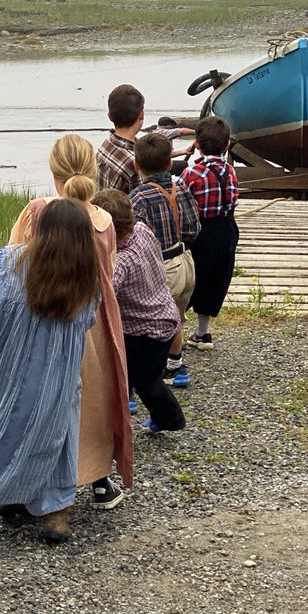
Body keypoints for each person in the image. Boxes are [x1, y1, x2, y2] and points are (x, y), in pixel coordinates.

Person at [0, 199, 101, 545]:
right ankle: (54, 513)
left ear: (41, 231)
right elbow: (87, 321)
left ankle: (7, 492)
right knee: (55, 436)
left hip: (9, 370)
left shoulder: (12, 263)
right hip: (58, 378)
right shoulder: (87, 280)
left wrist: (15, 241)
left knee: (1, 427)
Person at [9, 133, 133, 510]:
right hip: (92, 321)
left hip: (44, 316)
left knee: (36, 397)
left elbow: (11, 263)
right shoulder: (104, 220)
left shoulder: (37, 212)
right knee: (94, 397)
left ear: (54, 173)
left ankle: (26, 481)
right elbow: (108, 272)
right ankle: (97, 478)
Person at [94, 189, 185, 435]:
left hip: (144, 331)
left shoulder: (120, 262)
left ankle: (170, 418)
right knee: (144, 375)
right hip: (165, 314)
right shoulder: (143, 231)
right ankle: (135, 410)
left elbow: (101, 297)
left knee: (144, 380)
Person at [131, 133, 201, 388]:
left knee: (154, 320)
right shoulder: (182, 188)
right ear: (170, 164)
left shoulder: (138, 198)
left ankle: (151, 372)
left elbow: (135, 239)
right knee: (177, 317)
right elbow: (195, 228)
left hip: (160, 267)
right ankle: (176, 365)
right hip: (185, 260)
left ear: (136, 165)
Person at [178, 115, 240, 349]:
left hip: (199, 233)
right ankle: (203, 333)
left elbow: (181, 204)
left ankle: (177, 335)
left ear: (197, 144)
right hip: (226, 230)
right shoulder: (231, 172)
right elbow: (233, 200)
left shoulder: (191, 173)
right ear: (227, 145)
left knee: (190, 281)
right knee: (216, 279)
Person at [96, 84, 144, 193]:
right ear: (141, 114)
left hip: (101, 208)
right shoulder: (134, 164)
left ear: (109, 116)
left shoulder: (107, 144)